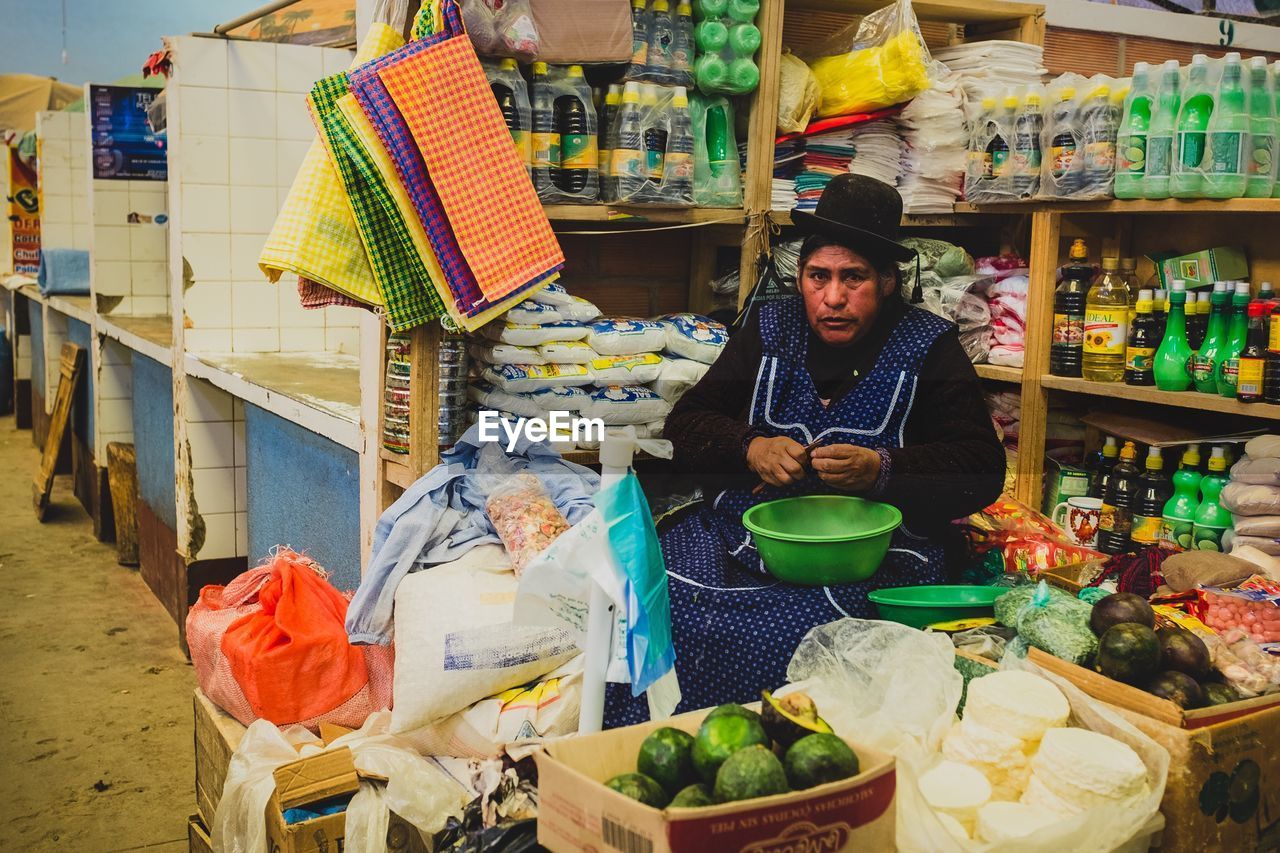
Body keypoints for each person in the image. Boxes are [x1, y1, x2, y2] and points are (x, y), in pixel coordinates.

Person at [605, 175, 1005, 726]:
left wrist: (883, 469)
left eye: (854, 278)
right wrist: (750, 446)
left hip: (872, 557)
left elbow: (981, 469)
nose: (833, 298)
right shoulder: (770, 329)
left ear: (888, 281)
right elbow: (687, 425)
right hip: (743, 535)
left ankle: (783, 753)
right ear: (802, 278)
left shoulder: (928, 346)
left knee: (809, 636)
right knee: (653, 600)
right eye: (819, 277)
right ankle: (638, 741)